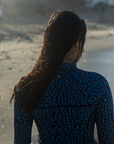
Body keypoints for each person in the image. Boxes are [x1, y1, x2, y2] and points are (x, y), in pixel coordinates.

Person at [10, 10, 114, 144]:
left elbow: (21, 141)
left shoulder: (27, 88)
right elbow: (108, 139)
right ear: (77, 41)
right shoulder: (97, 84)